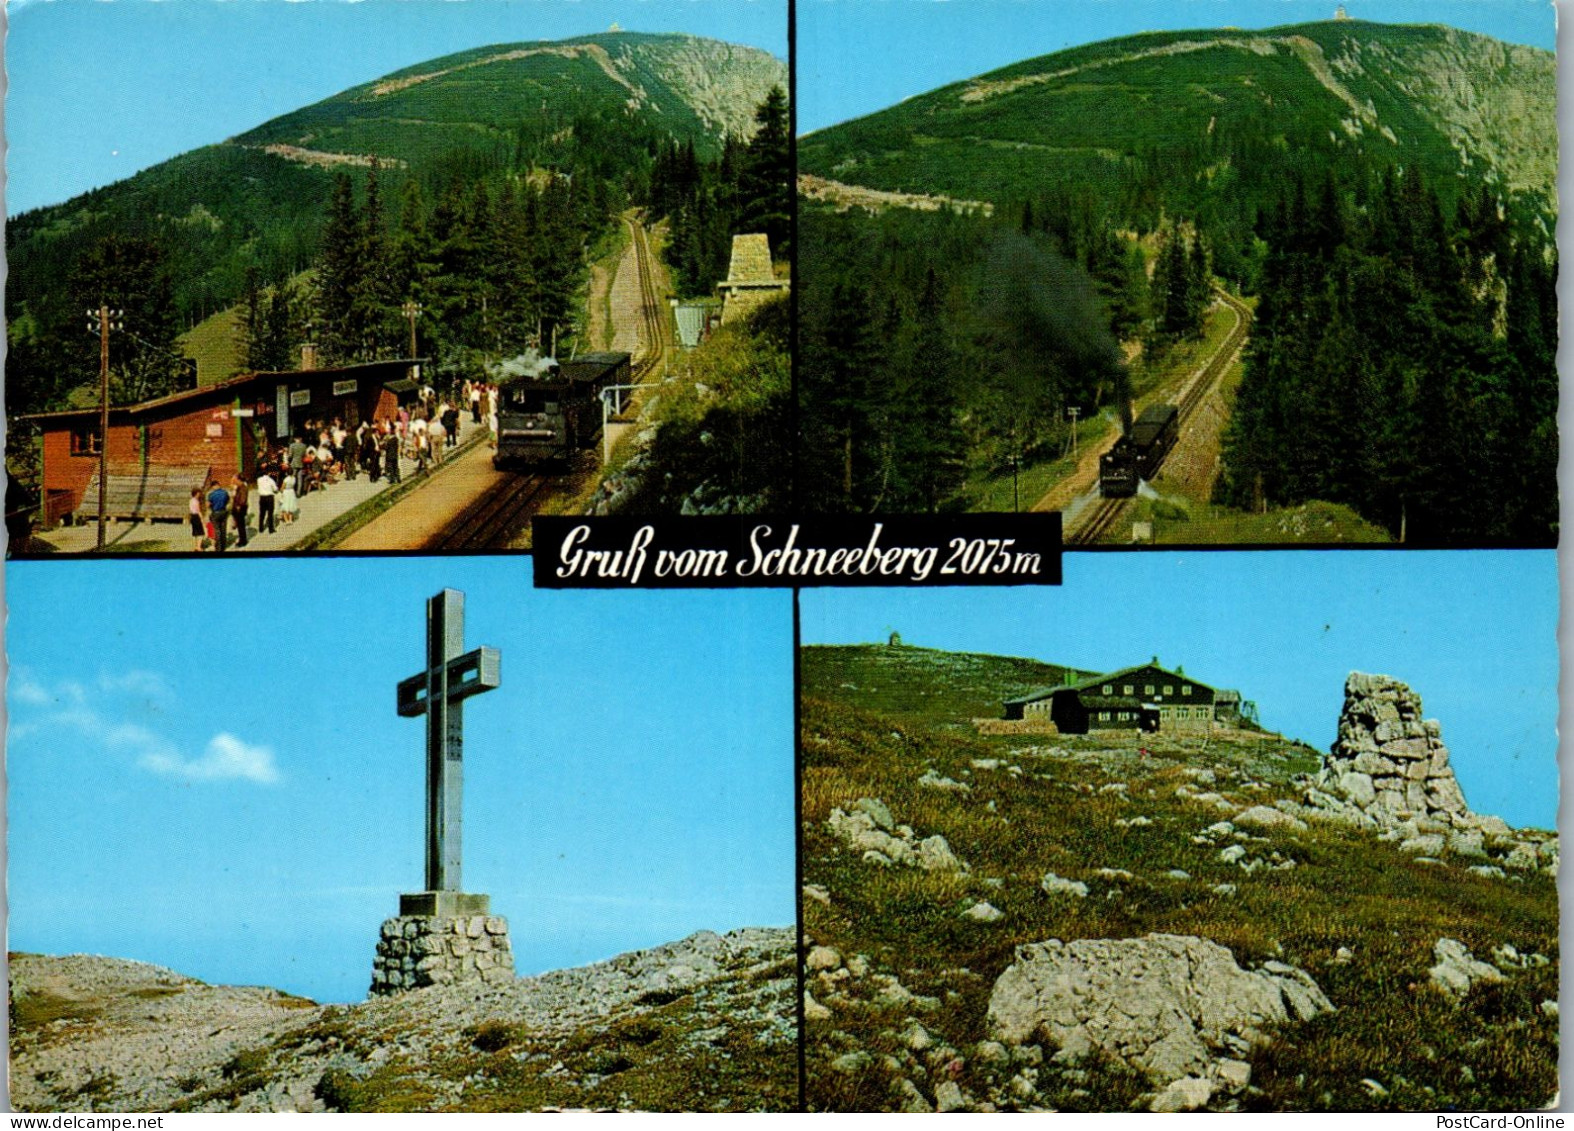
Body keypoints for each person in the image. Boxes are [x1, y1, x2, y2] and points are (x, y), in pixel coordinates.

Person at [206, 479, 231, 554]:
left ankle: (219, 548)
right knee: (223, 529)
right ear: (218, 485)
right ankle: (224, 546)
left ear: (213, 486)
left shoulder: (211, 495)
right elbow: (228, 501)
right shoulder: (225, 493)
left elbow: (208, 505)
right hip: (223, 511)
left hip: (215, 513)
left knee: (217, 530)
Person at [231, 475, 251, 549]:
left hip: (240, 508)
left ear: (239, 480)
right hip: (238, 508)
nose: (234, 482)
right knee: (240, 526)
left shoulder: (243, 487)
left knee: (241, 526)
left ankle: (243, 541)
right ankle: (242, 539)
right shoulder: (239, 487)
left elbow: (243, 498)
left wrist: (238, 506)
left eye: (236, 480)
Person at [256, 469, 278, 535]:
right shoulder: (271, 481)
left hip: (262, 497)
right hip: (269, 497)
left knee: (262, 513)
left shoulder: (259, 480)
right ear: (268, 473)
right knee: (270, 514)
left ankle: (260, 528)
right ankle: (271, 529)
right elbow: (275, 489)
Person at [189, 487, 206, 552]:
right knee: (201, 533)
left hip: (192, 516)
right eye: (199, 493)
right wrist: (202, 519)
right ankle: (199, 547)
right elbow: (198, 511)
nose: (199, 495)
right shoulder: (196, 501)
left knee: (195, 532)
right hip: (196, 516)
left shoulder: (191, 500)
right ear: (196, 494)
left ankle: (196, 546)